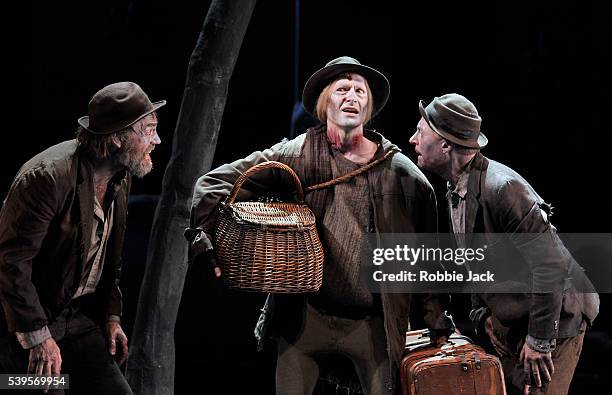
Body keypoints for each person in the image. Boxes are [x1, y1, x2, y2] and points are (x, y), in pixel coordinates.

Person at [185, 56, 453, 395]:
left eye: (360, 90)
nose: (352, 96)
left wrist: (436, 322)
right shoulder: (298, 154)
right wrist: (208, 246)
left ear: (368, 107)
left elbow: (427, 255)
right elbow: (214, 184)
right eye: (342, 89)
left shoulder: (401, 174)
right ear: (326, 103)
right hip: (304, 318)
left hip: (372, 324)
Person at [409, 93, 600, 394]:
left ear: (445, 145)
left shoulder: (502, 188)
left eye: (420, 131)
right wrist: (481, 314)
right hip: (514, 317)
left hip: (555, 317)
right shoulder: (456, 186)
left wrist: (539, 340)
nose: (412, 139)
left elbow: (550, 266)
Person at [0, 81, 165, 394]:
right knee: (37, 387)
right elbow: (10, 262)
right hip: (21, 321)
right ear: (118, 137)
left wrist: (111, 316)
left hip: (71, 317)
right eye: (149, 129)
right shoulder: (48, 177)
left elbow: (108, 256)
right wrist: (37, 337)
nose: (156, 140)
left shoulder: (121, 173)